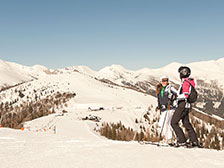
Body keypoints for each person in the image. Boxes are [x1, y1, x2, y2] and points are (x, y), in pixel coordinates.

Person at [171, 66, 199, 147]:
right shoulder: (190, 82)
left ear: (183, 73)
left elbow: (185, 95)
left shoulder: (185, 83)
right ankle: (194, 141)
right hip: (187, 106)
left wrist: (176, 97)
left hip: (182, 105)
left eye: (180, 73)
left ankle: (182, 141)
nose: (179, 74)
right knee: (186, 123)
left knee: (173, 122)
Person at [156, 75, 178, 144]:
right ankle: (167, 138)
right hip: (163, 109)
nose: (165, 82)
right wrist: (159, 106)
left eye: (166, 80)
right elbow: (159, 99)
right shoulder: (160, 89)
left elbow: (177, 94)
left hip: (169, 108)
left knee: (166, 123)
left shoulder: (170, 88)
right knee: (161, 123)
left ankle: (169, 138)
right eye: (163, 80)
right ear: (161, 81)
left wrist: (172, 99)